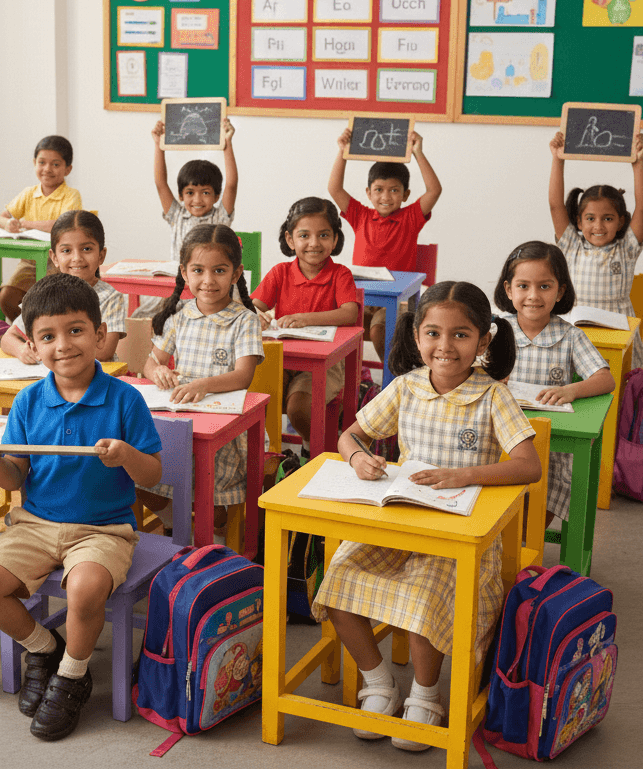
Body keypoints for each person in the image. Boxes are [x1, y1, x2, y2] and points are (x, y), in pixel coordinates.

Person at [319, 281, 540, 751]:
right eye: (433, 333)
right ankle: (379, 683)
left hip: (459, 540)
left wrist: (463, 475)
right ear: (416, 336)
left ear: (483, 341)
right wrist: (358, 459)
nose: (445, 346)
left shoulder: (492, 395)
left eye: (461, 335)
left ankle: (425, 693)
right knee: (338, 580)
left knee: (423, 599)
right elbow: (349, 436)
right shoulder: (406, 386)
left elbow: (528, 466)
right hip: (398, 524)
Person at [0, 273, 162, 741]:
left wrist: (126, 455)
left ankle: (73, 675)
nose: (64, 345)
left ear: (99, 334)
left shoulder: (125, 399)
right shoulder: (28, 401)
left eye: (76, 331)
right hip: (35, 525)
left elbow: (153, 475)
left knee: (86, 588)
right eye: (48, 336)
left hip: (104, 529)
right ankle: (44, 649)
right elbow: (15, 477)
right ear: (33, 346)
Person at [138, 224, 263, 535]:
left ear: (236, 273)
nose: (208, 280)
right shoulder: (180, 314)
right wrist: (158, 371)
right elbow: (150, 363)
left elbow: (243, 375)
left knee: (213, 505)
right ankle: (182, 530)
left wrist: (202, 385)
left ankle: (210, 542)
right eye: (198, 270)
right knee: (141, 482)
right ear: (184, 272)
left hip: (223, 431)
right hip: (178, 421)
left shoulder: (245, 320)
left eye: (219, 270)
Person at [494, 241, 614, 528]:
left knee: (531, 523)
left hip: (551, 449)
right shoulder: (495, 331)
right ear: (509, 289)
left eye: (544, 286)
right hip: (499, 440)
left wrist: (570, 390)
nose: (533, 296)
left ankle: (521, 547)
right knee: (494, 509)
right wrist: (491, 378)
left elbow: (605, 378)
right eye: (523, 286)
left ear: (560, 291)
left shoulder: (570, 337)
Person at [251, 197, 360, 453]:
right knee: (255, 397)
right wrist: (255, 314)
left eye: (323, 235)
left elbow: (350, 313)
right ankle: (268, 456)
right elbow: (253, 305)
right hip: (283, 360)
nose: (314, 243)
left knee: (298, 407)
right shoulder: (280, 272)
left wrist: (306, 319)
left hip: (325, 365)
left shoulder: (340, 274)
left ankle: (311, 451)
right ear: (290, 240)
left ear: (335, 239)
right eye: (304, 235)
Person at [328, 129, 442, 362]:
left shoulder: (411, 218)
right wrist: (342, 152)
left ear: (405, 194)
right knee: (330, 319)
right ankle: (350, 375)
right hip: (362, 297)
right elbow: (334, 189)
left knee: (379, 330)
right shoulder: (360, 215)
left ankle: (395, 374)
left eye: (394, 190)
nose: (386, 197)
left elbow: (434, 190)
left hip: (397, 303)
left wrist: (418, 153)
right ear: (369, 193)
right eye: (379, 190)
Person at [548, 131, 643, 368]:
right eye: (590, 218)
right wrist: (557, 160)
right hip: (577, 331)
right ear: (579, 221)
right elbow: (555, 206)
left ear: (621, 221)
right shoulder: (571, 245)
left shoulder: (626, 248)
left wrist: (638, 163)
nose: (598, 226)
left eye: (608, 218)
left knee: (621, 381)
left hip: (617, 335)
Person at [0, 211, 126, 363]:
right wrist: (21, 350)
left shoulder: (110, 297)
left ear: (101, 255)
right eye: (66, 251)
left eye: (86, 249)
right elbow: (8, 338)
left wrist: (49, 349)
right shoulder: (45, 295)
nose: (77, 258)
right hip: (53, 372)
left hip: (97, 374)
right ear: (54, 257)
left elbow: (104, 352)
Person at [0, 135, 83, 322]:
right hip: (30, 262)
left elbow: (63, 225)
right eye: (42, 162)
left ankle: (43, 329)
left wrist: (26, 224)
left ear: (68, 169)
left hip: (59, 263)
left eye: (55, 164)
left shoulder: (71, 195)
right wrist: (8, 224)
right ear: (34, 163)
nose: (47, 169)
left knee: (47, 303)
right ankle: (29, 330)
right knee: (7, 297)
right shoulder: (28, 193)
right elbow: (0, 218)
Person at [151, 117, 238, 262]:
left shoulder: (220, 218)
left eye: (205, 192)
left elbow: (231, 184)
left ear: (217, 196)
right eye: (190, 192)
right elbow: (160, 183)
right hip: (180, 276)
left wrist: (227, 143)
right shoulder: (177, 216)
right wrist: (158, 144)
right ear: (181, 195)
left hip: (210, 277)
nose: (197, 200)